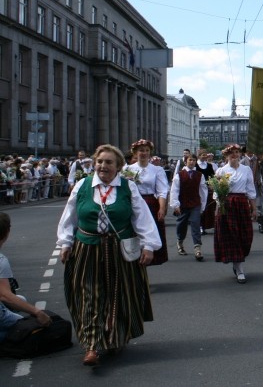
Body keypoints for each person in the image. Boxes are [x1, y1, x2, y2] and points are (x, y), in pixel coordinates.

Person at [57, 144, 161, 366]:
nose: (103, 166)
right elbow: (70, 216)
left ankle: (115, 338)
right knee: (89, 295)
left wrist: (149, 246)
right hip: (87, 248)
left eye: (109, 162)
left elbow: (141, 218)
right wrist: (65, 243)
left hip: (118, 250)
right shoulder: (82, 186)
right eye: (100, 162)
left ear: (118, 167)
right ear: (94, 163)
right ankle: (92, 345)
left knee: (119, 294)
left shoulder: (127, 187)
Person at [1, 213, 52, 344]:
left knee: (22, 300)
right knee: (29, 327)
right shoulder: (1, 260)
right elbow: (5, 296)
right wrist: (37, 312)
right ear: (8, 232)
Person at [214, 144, 257, 284]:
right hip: (227, 204)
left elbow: (250, 189)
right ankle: (239, 269)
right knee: (232, 236)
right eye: (231, 153)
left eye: (237, 152)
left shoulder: (246, 170)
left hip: (242, 203)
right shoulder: (221, 171)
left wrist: (254, 207)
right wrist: (218, 206)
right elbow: (216, 191)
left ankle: (237, 261)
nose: (235, 155)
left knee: (245, 235)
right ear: (226, 155)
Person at [124, 140, 169, 266]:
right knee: (133, 233)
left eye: (147, 150)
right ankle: (133, 262)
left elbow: (162, 191)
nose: (144, 153)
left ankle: (146, 262)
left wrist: (161, 207)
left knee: (149, 233)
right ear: (135, 153)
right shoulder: (128, 169)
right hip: (132, 203)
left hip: (150, 203)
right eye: (141, 150)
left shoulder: (157, 170)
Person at [169, 154, 208, 261]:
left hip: (195, 203)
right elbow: (174, 190)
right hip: (183, 204)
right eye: (190, 160)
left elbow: (203, 191)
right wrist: (175, 204)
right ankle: (180, 242)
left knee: (195, 223)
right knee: (181, 224)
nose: (192, 162)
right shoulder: (179, 175)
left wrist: (203, 205)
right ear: (185, 162)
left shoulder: (199, 175)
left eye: (194, 160)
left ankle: (197, 248)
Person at [195, 149, 217, 235]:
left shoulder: (209, 165)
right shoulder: (196, 165)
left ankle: (208, 225)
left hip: (208, 189)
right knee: (200, 208)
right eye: (202, 155)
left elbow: (212, 177)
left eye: (205, 155)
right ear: (199, 156)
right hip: (198, 189)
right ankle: (200, 226)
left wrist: (212, 185)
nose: (204, 156)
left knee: (208, 208)